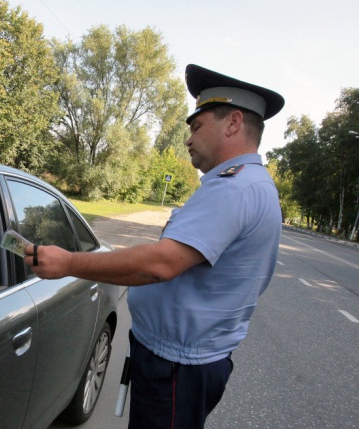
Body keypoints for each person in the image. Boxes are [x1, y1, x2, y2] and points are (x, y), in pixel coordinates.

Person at [24, 64, 285, 428]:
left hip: (178, 367)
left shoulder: (235, 188)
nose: (188, 139)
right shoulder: (245, 184)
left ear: (233, 123)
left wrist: (69, 263)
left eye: (196, 127)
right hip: (180, 361)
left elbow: (160, 265)